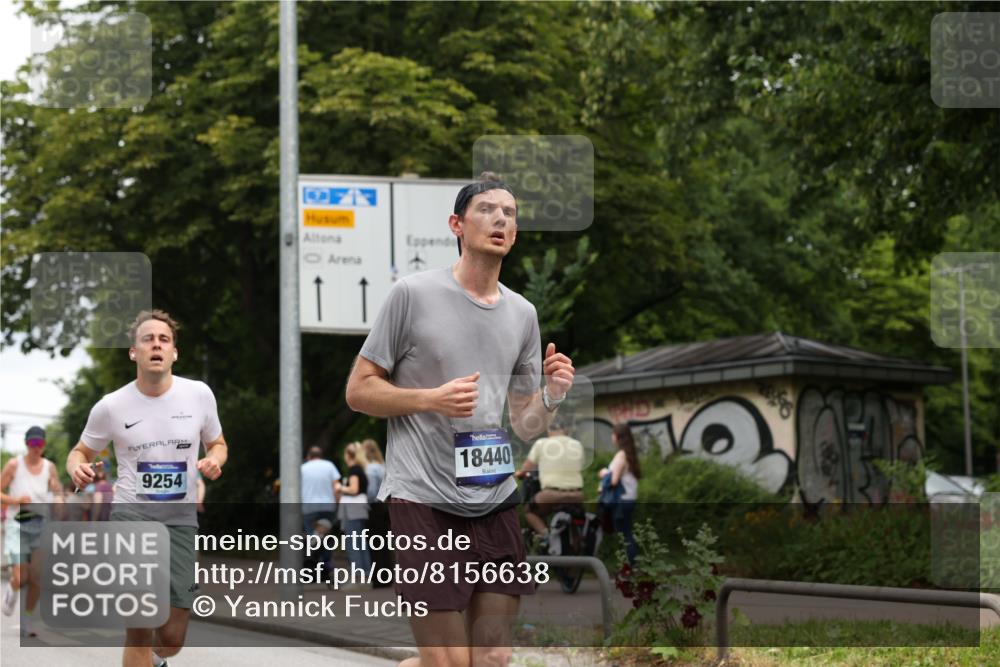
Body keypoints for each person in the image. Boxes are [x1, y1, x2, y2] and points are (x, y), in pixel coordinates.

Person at [345, 172, 575, 667]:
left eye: (510, 214)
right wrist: (430, 399)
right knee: (449, 662)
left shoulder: (523, 314)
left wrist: (552, 396)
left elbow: (524, 423)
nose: (501, 219)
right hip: (423, 499)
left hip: (492, 498)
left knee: (492, 659)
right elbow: (358, 391)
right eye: (488, 209)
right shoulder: (412, 295)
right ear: (457, 224)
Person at [67, 309, 228, 667]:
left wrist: (215, 458)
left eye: (164, 339)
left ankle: (156, 659)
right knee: (139, 626)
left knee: (171, 639)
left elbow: (218, 443)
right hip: (131, 516)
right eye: (148, 339)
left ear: (174, 353)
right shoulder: (111, 406)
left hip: (180, 521)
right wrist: (77, 467)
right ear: (134, 352)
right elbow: (79, 452)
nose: (156, 344)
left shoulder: (198, 395)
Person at [1, 425, 61, 636]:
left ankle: (27, 621)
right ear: (27, 444)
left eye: (40, 443)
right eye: (32, 443)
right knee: (21, 577)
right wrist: (15, 500)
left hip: (40, 527)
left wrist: (59, 502)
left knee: (36, 578)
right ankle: (12, 587)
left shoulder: (50, 467)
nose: (36, 447)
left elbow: (57, 492)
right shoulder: (13, 465)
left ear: (44, 445)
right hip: (17, 525)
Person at [515, 416, 585, 542]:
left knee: (529, 511)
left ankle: (547, 537)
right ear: (565, 429)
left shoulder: (541, 444)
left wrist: (519, 474)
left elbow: (526, 469)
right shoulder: (577, 444)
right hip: (577, 495)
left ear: (548, 430)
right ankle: (578, 541)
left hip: (551, 495)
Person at [598, 423, 641, 564]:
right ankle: (633, 567)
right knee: (627, 534)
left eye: (613, 433)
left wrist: (605, 473)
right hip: (629, 499)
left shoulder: (621, 455)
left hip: (621, 501)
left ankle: (632, 568)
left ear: (617, 436)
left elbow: (614, 480)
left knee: (625, 536)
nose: (611, 436)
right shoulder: (629, 453)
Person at [335, 441, 371, 574]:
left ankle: (358, 575)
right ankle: (366, 572)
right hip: (360, 509)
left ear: (348, 455)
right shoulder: (360, 469)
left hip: (352, 510)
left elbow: (354, 489)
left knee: (353, 543)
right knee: (361, 543)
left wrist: (340, 488)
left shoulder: (354, 470)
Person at [362, 438, 394, 586]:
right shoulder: (383, 465)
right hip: (386, 505)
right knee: (385, 542)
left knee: (374, 543)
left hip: (374, 506)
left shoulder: (370, 468)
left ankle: (378, 577)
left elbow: (371, 491)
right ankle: (387, 574)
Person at [301, 445, 342, 537]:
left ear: (309, 456)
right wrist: (338, 504)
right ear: (321, 455)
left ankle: (312, 550)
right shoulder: (330, 466)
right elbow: (336, 487)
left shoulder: (303, 468)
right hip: (328, 507)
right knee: (326, 538)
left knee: (312, 537)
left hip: (309, 508)